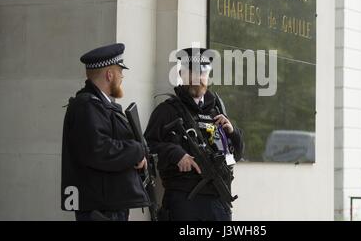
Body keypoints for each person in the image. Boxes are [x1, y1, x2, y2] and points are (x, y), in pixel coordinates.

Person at [144, 47, 244, 221]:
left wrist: (233, 132)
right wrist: (175, 154)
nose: (197, 78)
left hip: (218, 200)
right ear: (181, 74)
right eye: (191, 73)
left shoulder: (217, 111)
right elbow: (147, 147)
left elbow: (237, 154)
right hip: (184, 200)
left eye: (202, 73)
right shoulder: (167, 111)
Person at [61, 43, 149, 221]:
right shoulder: (86, 106)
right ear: (109, 74)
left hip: (109, 204)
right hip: (101, 208)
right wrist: (137, 151)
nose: (122, 76)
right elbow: (99, 150)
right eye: (120, 71)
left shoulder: (100, 105)